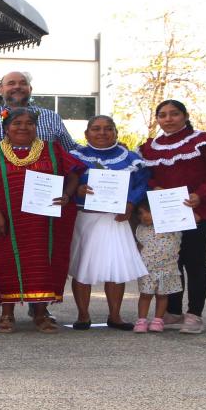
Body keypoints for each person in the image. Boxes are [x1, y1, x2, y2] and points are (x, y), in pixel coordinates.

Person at [0, 71, 77, 324]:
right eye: (11, 83)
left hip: (43, 215)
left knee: (42, 260)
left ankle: (40, 311)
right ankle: (0, 310)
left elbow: (74, 158)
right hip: (6, 214)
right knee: (3, 261)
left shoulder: (51, 131)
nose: (23, 127)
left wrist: (69, 194)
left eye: (22, 83)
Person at [138, 100, 206, 335]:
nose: (168, 119)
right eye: (162, 115)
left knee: (195, 261)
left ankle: (195, 314)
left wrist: (201, 196)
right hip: (165, 214)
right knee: (171, 262)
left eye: (174, 114)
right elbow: (143, 177)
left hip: (199, 211)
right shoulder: (149, 148)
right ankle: (172, 310)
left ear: (185, 115)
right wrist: (155, 187)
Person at [68, 116, 150, 331]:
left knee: (116, 267)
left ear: (116, 132)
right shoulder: (74, 157)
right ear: (86, 134)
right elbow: (65, 182)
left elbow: (142, 184)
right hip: (85, 217)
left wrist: (131, 203)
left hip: (117, 219)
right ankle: (83, 315)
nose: (102, 133)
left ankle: (115, 316)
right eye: (96, 129)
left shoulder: (131, 158)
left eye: (107, 129)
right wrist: (77, 190)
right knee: (82, 266)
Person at [132, 196, 183, 333]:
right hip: (147, 269)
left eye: (148, 212)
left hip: (167, 268)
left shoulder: (171, 227)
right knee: (145, 295)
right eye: (141, 213)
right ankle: (141, 320)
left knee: (162, 295)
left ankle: (158, 320)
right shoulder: (140, 229)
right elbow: (138, 245)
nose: (145, 216)